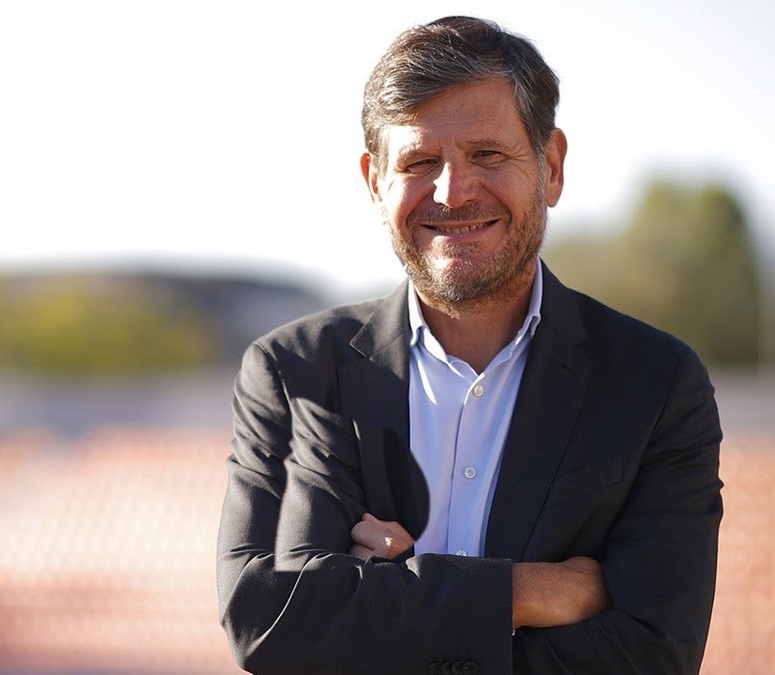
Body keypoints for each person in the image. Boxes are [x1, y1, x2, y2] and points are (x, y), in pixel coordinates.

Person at [216, 16, 722, 674]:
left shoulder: (655, 384)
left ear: (551, 167)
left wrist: (377, 596)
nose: (453, 192)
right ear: (375, 182)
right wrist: (522, 592)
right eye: (420, 162)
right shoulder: (295, 373)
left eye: (487, 154)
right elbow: (264, 620)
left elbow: (653, 656)